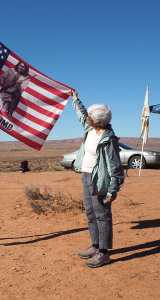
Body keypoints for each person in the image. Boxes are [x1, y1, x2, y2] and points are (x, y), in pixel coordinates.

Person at [71, 89, 124, 268]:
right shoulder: (90, 129)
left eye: (90, 118)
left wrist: (112, 189)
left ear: (98, 121)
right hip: (86, 176)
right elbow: (82, 115)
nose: (87, 118)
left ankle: (104, 252)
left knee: (102, 215)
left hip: (100, 181)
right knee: (90, 213)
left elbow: (115, 166)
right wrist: (76, 100)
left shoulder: (109, 139)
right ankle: (95, 246)